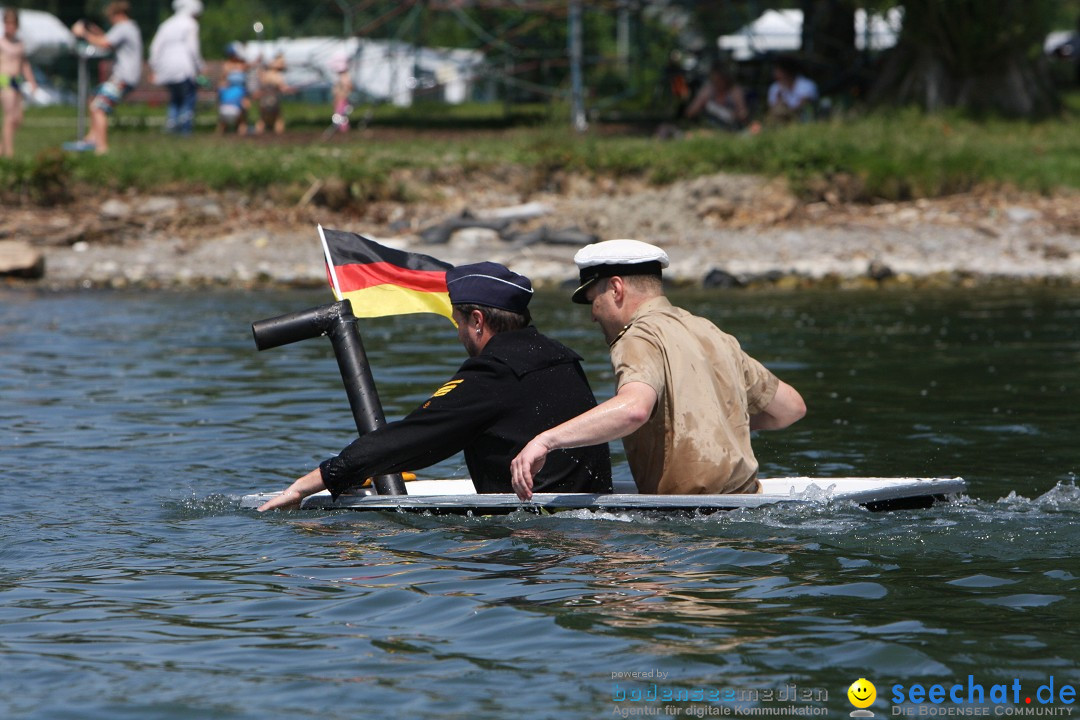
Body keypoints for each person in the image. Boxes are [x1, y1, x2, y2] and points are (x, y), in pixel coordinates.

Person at [258, 261, 613, 511]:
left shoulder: (494, 373)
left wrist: (314, 482)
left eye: (457, 322)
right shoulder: (562, 358)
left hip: (540, 543)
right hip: (586, 522)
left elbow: (413, 437)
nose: (458, 333)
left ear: (477, 321)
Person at [510, 239, 806, 500]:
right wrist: (710, 420)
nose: (592, 317)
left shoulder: (637, 336)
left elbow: (634, 410)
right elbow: (790, 408)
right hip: (746, 509)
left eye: (593, 301)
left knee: (588, 561)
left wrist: (546, 441)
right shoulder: (712, 332)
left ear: (616, 288)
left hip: (686, 533)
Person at [71, 1, 142, 154]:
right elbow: (106, 38)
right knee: (94, 97)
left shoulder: (124, 28)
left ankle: (101, 148)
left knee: (98, 107)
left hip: (123, 78)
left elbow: (105, 43)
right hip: (123, 77)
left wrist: (84, 33)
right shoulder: (129, 28)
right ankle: (91, 138)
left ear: (117, 14)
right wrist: (94, 31)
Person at [148, 0, 204, 135]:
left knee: (175, 99)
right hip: (184, 67)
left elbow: (154, 47)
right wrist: (200, 66)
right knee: (188, 98)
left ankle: (172, 126)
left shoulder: (166, 24)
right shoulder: (190, 24)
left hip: (166, 69)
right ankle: (185, 130)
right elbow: (193, 48)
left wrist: (154, 67)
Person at [0, 8, 37, 158]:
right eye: (7, 24)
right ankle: (8, 152)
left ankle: (3, 145)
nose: (10, 27)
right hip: (4, 79)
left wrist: (32, 81)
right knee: (9, 116)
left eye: (12, 24)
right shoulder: (1, 43)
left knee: (18, 118)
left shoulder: (20, 43)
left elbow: (24, 64)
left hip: (17, 81)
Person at [685, 66, 749, 131]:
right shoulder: (708, 90)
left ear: (726, 78)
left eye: (720, 79)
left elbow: (743, 114)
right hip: (709, 128)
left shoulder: (734, 91)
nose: (718, 83)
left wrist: (737, 115)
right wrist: (702, 100)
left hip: (730, 128)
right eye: (715, 80)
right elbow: (690, 113)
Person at [766, 56, 818, 124]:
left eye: (778, 70)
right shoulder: (774, 88)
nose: (775, 74)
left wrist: (786, 111)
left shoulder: (806, 85)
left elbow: (804, 105)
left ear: (786, 71)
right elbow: (773, 109)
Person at [216, 43, 248, 135]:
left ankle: (240, 134)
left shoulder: (242, 65)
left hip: (239, 94)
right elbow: (222, 83)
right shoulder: (227, 66)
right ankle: (220, 135)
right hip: (230, 94)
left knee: (242, 116)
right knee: (224, 120)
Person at [254, 54, 290, 135]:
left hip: (263, 100)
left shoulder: (265, 74)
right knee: (278, 118)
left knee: (262, 118)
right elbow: (282, 87)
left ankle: (257, 136)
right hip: (272, 100)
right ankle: (279, 136)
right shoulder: (277, 75)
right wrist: (289, 89)